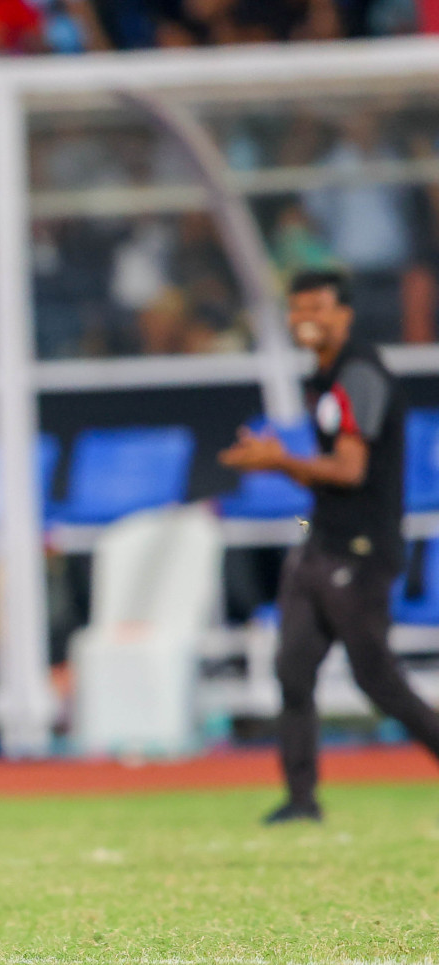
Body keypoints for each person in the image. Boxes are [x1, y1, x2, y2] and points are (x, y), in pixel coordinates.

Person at [220, 269, 439, 824]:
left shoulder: (359, 373)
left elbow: (349, 468)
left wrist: (279, 461)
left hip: (361, 551)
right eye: (297, 308)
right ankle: (300, 799)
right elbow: (329, 475)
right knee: (293, 670)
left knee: (378, 680)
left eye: (317, 306)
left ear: (344, 314)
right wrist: (281, 461)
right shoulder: (327, 375)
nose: (306, 319)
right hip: (321, 542)